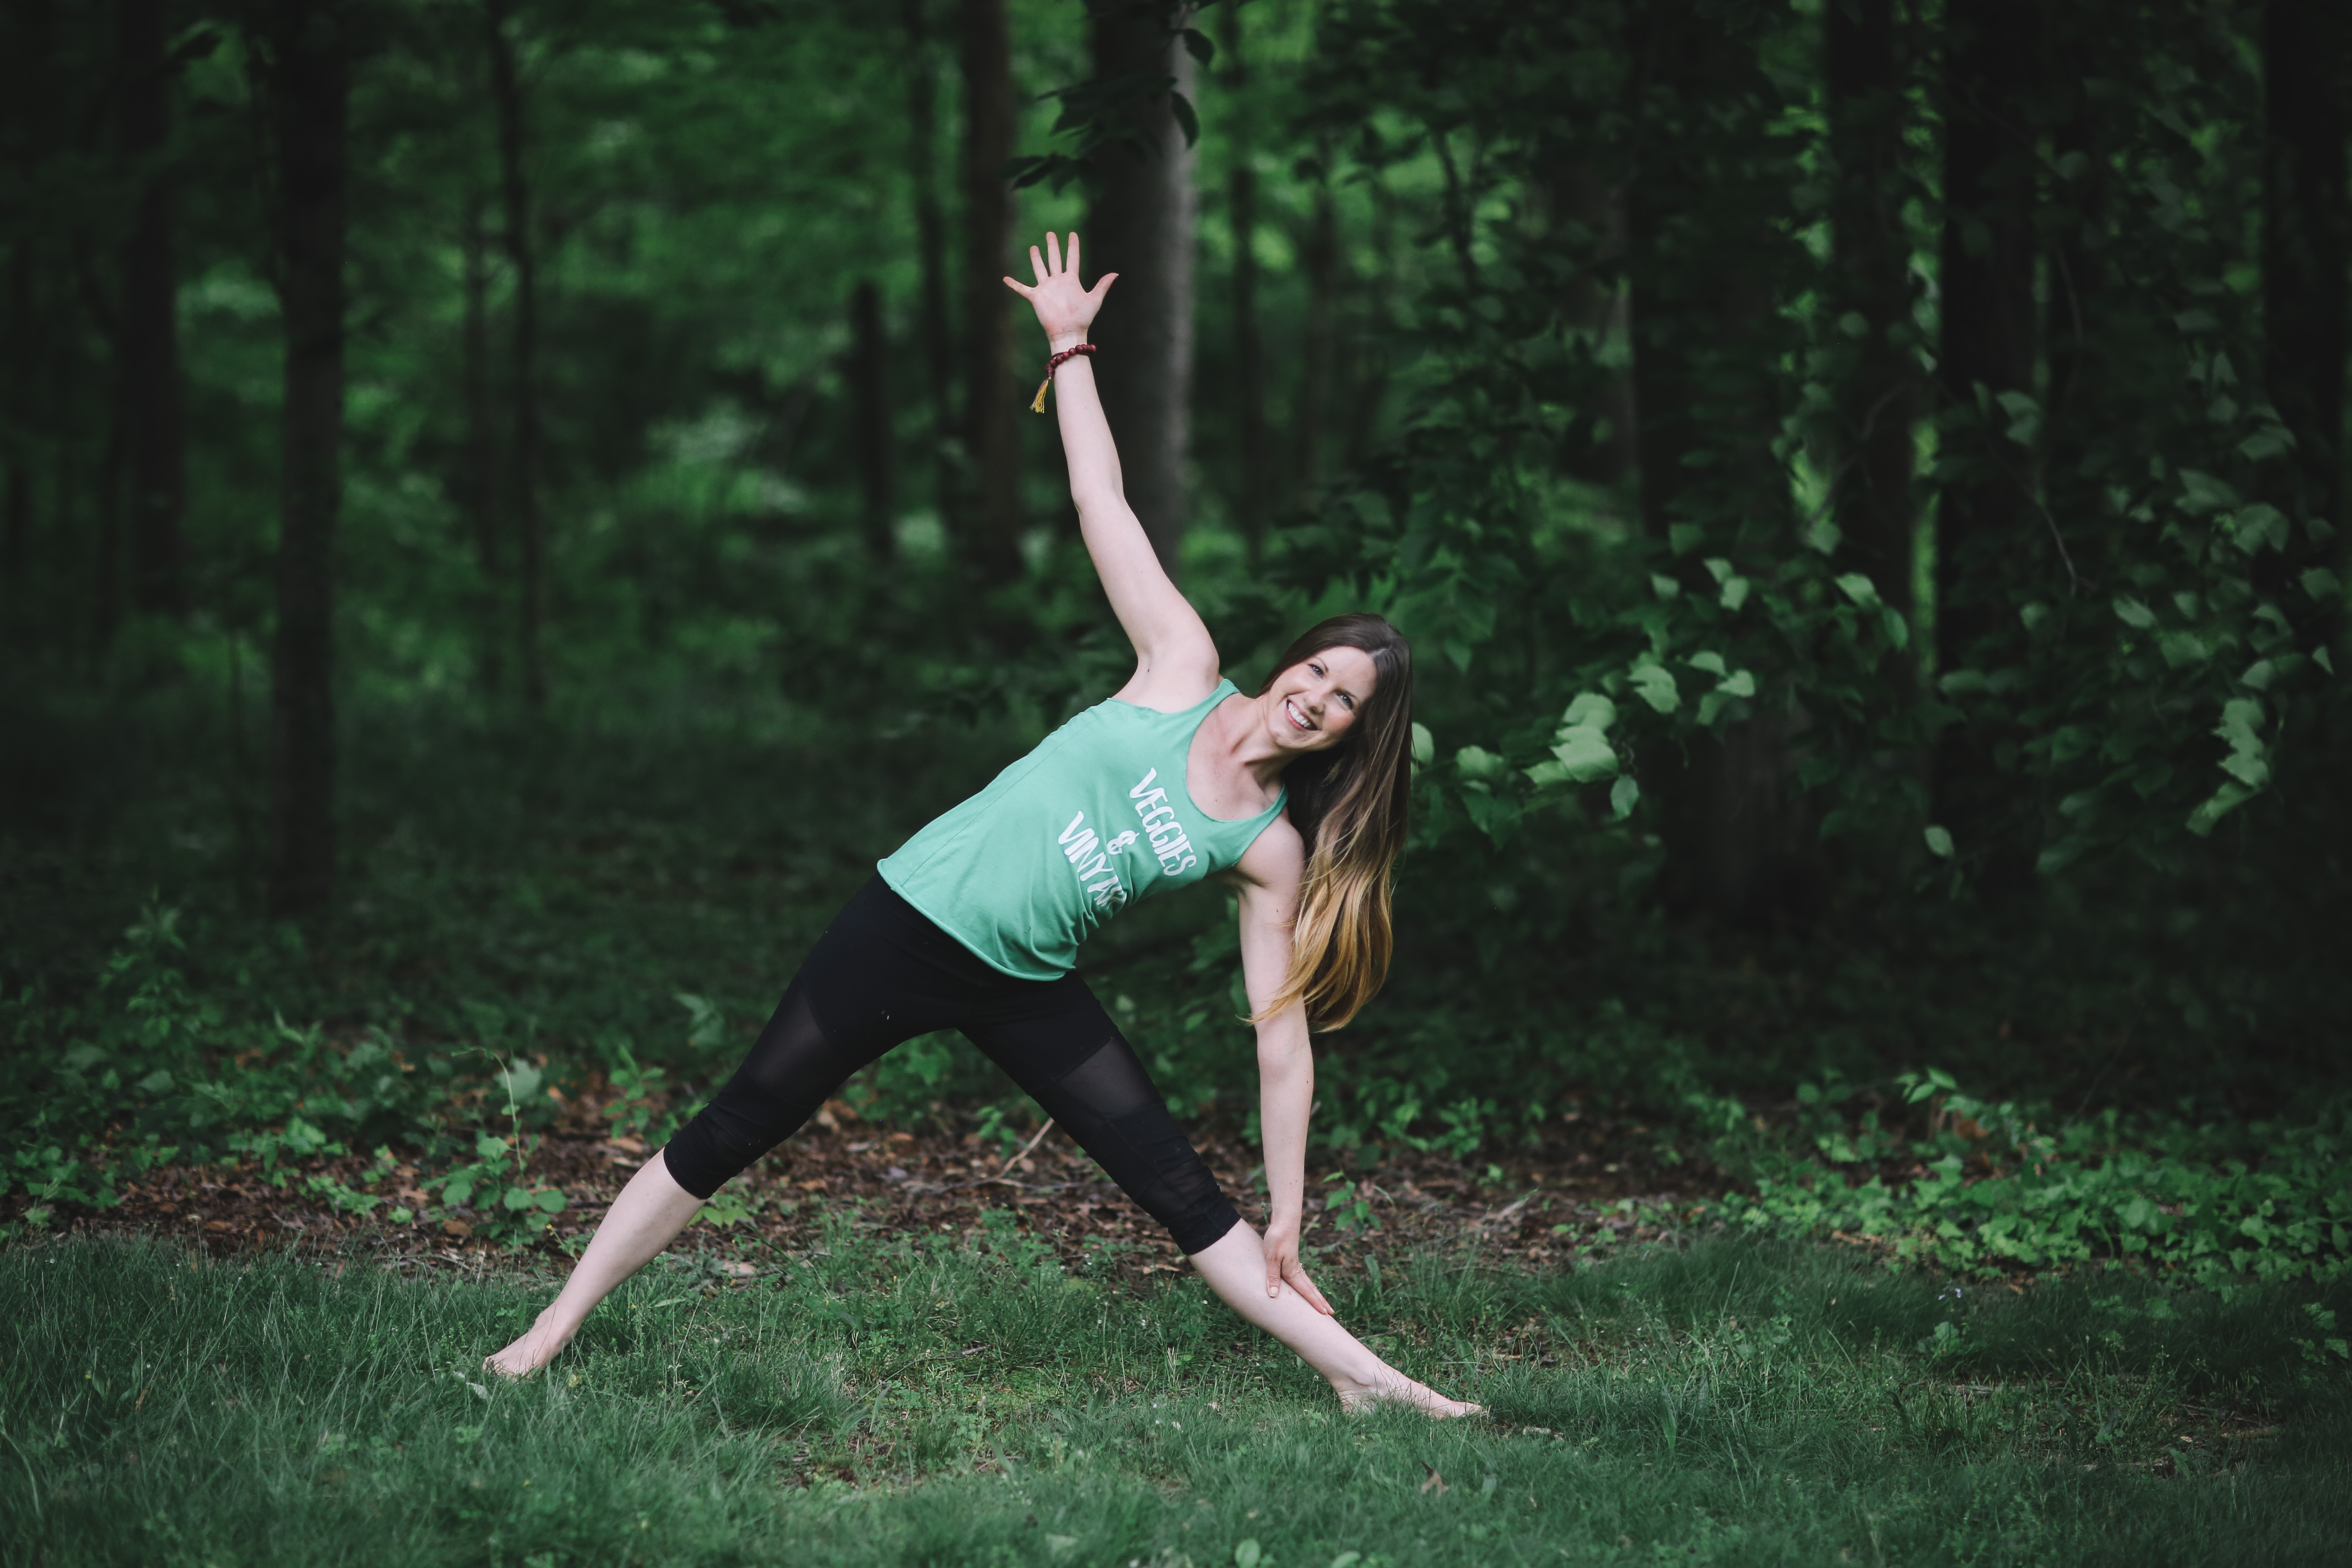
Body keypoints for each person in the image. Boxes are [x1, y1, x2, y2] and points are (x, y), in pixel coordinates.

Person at [486, 232, 1478, 1418]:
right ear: (1292, 664)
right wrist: (1069, 347)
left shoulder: (1268, 848)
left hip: (1027, 983)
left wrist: (1294, 1201)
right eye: (1318, 673)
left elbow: (1281, 1040)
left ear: (1351, 737)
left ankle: (1373, 1385)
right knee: (742, 1119)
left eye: (1343, 706)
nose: (1316, 701)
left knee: (1179, 1190)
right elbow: (1098, 497)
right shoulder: (1179, 667)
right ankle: (545, 1335)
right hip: (905, 923)